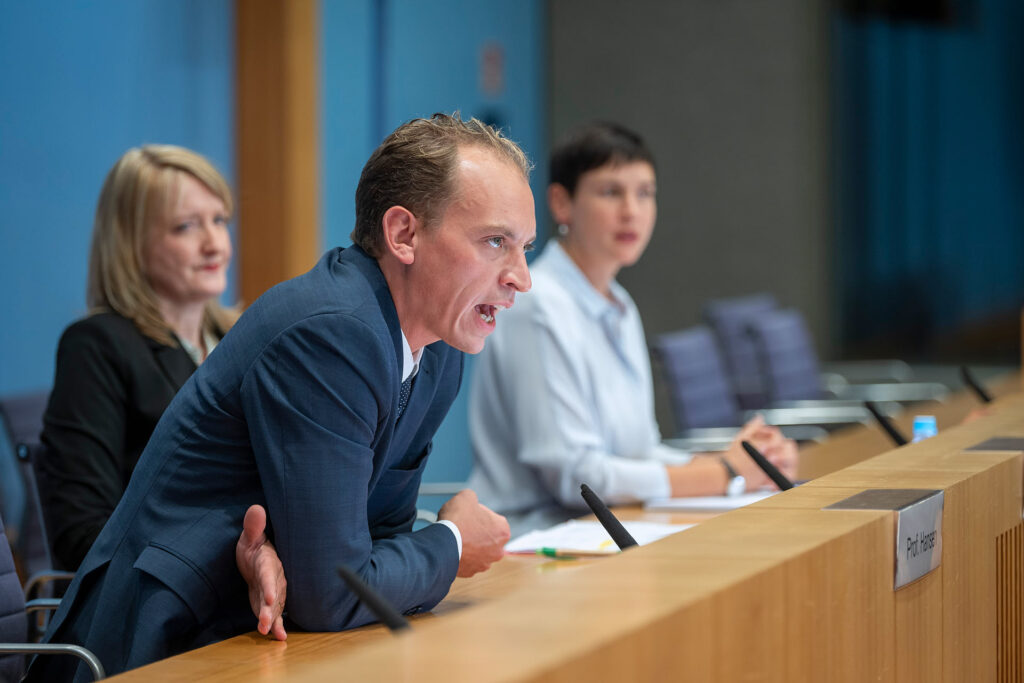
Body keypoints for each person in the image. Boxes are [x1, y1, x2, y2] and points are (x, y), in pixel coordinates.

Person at [26, 113, 532, 681]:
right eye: (495, 242)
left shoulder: (436, 349)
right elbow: (336, 590)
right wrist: (452, 542)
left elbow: (375, 542)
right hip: (151, 649)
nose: (522, 277)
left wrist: (336, 564)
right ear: (403, 235)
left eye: (524, 248)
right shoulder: (333, 332)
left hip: (257, 634)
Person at [468, 122, 799, 535]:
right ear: (561, 203)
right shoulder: (537, 305)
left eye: (644, 193)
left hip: (611, 527)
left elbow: (640, 453)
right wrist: (723, 472)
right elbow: (576, 478)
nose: (631, 211)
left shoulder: (621, 305)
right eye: (611, 192)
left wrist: (746, 462)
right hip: (535, 537)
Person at [38, 144, 287, 640]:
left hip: (255, 609)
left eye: (219, 220)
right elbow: (82, 535)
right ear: (130, 244)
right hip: (150, 624)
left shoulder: (243, 339)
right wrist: (235, 562)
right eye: (186, 227)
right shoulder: (97, 346)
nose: (215, 244)